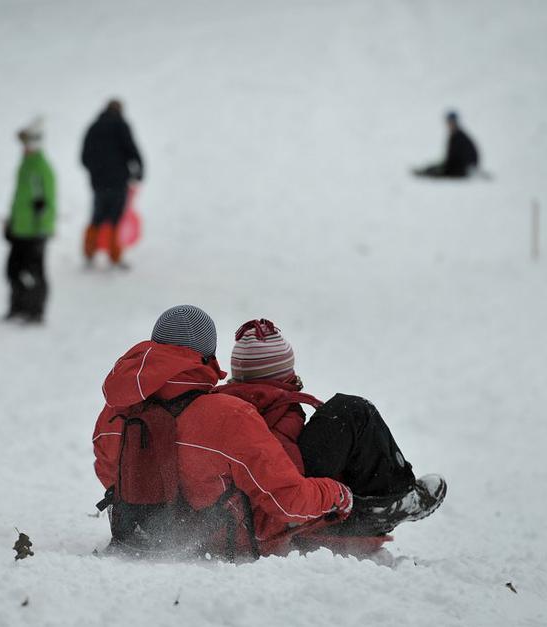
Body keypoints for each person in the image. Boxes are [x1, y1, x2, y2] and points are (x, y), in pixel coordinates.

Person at [92, 305, 353, 558]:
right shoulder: (229, 415)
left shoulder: (114, 411)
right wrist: (337, 494)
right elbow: (287, 502)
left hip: (135, 538)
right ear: (208, 354)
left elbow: (109, 473)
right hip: (221, 549)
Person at [215, 319, 447, 537]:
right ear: (284, 375)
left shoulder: (231, 404)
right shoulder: (267, 407)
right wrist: (331, 494)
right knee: (352, 412)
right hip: (288, 500)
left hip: (265, 496)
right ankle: (395, 499)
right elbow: (280, 469)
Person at [4, 117, 56, 323]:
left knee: (35, 274)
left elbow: (49, 202)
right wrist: (11, 223)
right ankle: (18, 307)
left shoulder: (42, 167)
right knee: (12, 270)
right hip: (20, 230)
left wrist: (42, 230)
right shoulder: (25, 164)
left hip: (35, 232)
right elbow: (19, 199)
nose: (23, 146)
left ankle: (36, 312)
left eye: (26, 141)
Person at [80, 99, 143, 268]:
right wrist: (139, 170)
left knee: (96, 218)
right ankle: (115, 257)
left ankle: (89, 254)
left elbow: (84, 157)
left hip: (99, 183)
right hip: (118, 182)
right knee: (116, 220)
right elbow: (132, 149)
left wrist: (95, 171)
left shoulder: (94, 127)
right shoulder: (121, 126)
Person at [413, 110, 479, 179]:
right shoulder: (456, 135)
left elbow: (456, 158)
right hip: (460, 167)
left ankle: (424, 172)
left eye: (451, 122)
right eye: (448, 122)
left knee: (438, 171)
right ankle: (424, 171)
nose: (449, 124)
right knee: (435, 168)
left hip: (462, 169)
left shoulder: (459, 137)